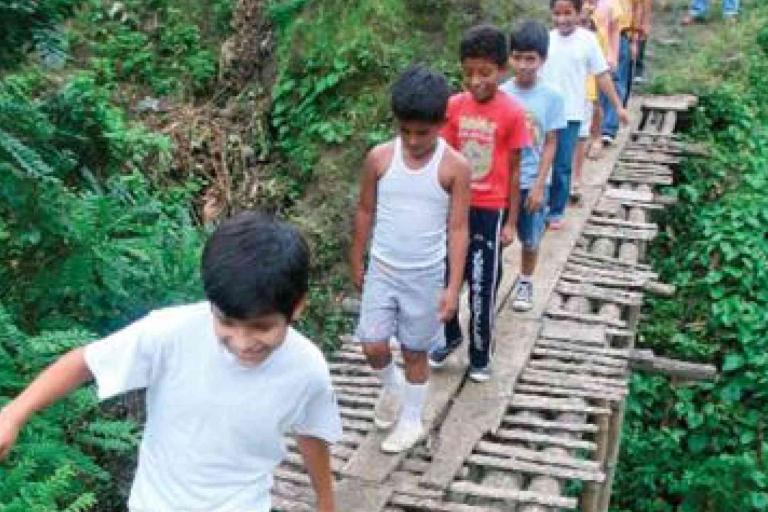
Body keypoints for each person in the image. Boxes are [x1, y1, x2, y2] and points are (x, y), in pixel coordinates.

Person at [0, 212, 343, 512]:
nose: (241, 342)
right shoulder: (169, 333)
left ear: (297, 307)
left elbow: (312, 431)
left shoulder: (307, 369)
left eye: (261, 327)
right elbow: (87, 362)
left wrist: (326, 502)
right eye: (226, 321)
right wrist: (14, 414)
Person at [350, 65, 471, 453]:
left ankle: (412, 420)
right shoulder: (380, 159)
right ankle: (392, 388)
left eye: (424, 132)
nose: (414, 141)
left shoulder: (455, 167)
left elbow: (457, 229)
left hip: (425, 274)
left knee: (416, 351)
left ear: (442, 124)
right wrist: (357, 257)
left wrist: (452, 288)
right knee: (372, 343)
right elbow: (365, 210)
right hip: (383, 268)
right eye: (406, 131)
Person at [428, 24, 530, 382]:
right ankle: (450, 335)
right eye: (468, 72)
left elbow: (516, 171)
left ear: (502, 70)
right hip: (455, 205)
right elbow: (443, 157)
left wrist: (512, 221)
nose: (476, 81)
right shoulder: (453, 107)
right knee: (444, 275)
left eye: (485, 73)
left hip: (491, 210)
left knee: (483, 282)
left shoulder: (513, 113)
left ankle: (480, 352)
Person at [542, 0, 629, 230]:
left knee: (562, 165)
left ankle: (556, 210)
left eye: (568, 13)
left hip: (571, 112)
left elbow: (602, 75)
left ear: (579, 12)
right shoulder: (546, 40)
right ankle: (539, 204)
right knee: (541, 162)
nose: (562, 19)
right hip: (545, 113)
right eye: (557, 13)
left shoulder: (587, 40)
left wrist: (618, 106)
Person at [501, 20, 567, 312]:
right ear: (510, 57)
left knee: (530, 238)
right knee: (499, 237)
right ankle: (493, 282)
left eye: (531, 58)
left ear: (542, 59)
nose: (524, 65)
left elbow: (551, 141)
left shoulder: (552, 96)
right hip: (503, 182)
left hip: (532, 179)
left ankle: (526, 281)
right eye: (518, 57)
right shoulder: (502, 93)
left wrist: (540, 184)